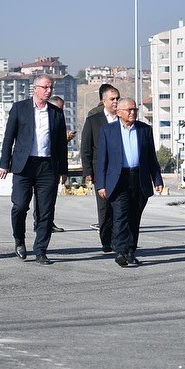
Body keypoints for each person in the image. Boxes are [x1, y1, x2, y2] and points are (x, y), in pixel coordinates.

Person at [0, 75, 68, 265]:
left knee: (46, 210)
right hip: (24, 166)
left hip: (48, 167)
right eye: (45, 87)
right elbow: (8, 138)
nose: (49, 91)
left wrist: (63, 170)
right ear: (35, 88)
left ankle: (41, 250)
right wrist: (4, 163)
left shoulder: (56, 113)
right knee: (20, 206)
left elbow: (62, 144)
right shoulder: (19, 108)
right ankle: (19, 239)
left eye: (51, 87)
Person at [96, 97, 163, 267]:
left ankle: (131, 251)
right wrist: (101, 184)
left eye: (134, 110)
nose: (132, 113)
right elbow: (101, 160)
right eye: (129, 110)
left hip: (139, 178)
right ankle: (120, 251)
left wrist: (157, 179)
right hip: (118, 179)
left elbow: (151, 158)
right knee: (120, 215)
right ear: (118, 113)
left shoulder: (144, 130)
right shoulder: (107, 131)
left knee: (134, 217)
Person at [80, 84, 121, 251]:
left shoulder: (123, 119)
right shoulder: (93, 121)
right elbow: (86, 147)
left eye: (118, 98)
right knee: (104, 207)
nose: (116, 102)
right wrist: (88, 171)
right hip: (101, 171)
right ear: (103, 101)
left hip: (121, 170)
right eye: (112, 99)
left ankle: (119, 240)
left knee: (120, 206)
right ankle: (106, 240)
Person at [46, 94, 73, 232]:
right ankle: (43, 223)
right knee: (43, 198)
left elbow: (60, 148)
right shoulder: (44, 122)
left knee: (51, 198)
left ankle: (48, 222)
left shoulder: (59, 121)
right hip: (44, 166)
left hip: (55, 165)